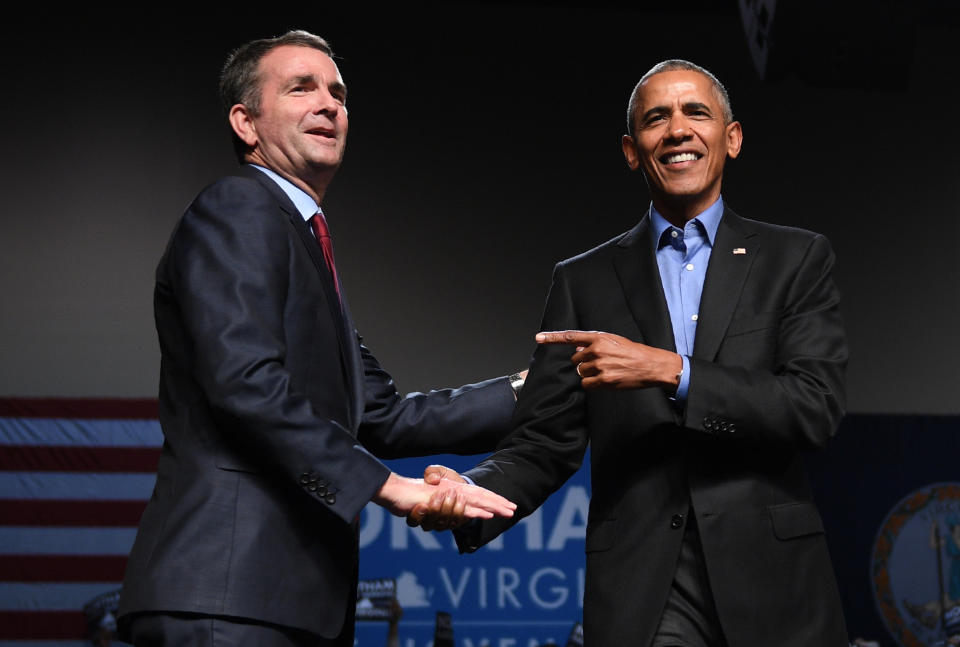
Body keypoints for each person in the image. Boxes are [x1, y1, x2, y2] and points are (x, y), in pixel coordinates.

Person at [410, 60, 849, 647]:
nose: (677, 130)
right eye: (656, 118)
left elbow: (813, 406)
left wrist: (671, 370)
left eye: (697, 112)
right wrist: (475, 493)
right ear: (631, 149)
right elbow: (544, 440)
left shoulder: (795, 259)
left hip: (774, 581)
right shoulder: (583, 281)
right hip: (648, 583)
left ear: (732, 138)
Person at [117, 30, 521, 647]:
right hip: (229, 599)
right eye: (301, 88)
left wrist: (537, 385)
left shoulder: (305, 246)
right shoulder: (239, 207)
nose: (329, 103)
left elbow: (382, 417)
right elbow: (245, 385)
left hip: (288, 604)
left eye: (338, 92)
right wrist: (388, 487)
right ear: (246, 122)